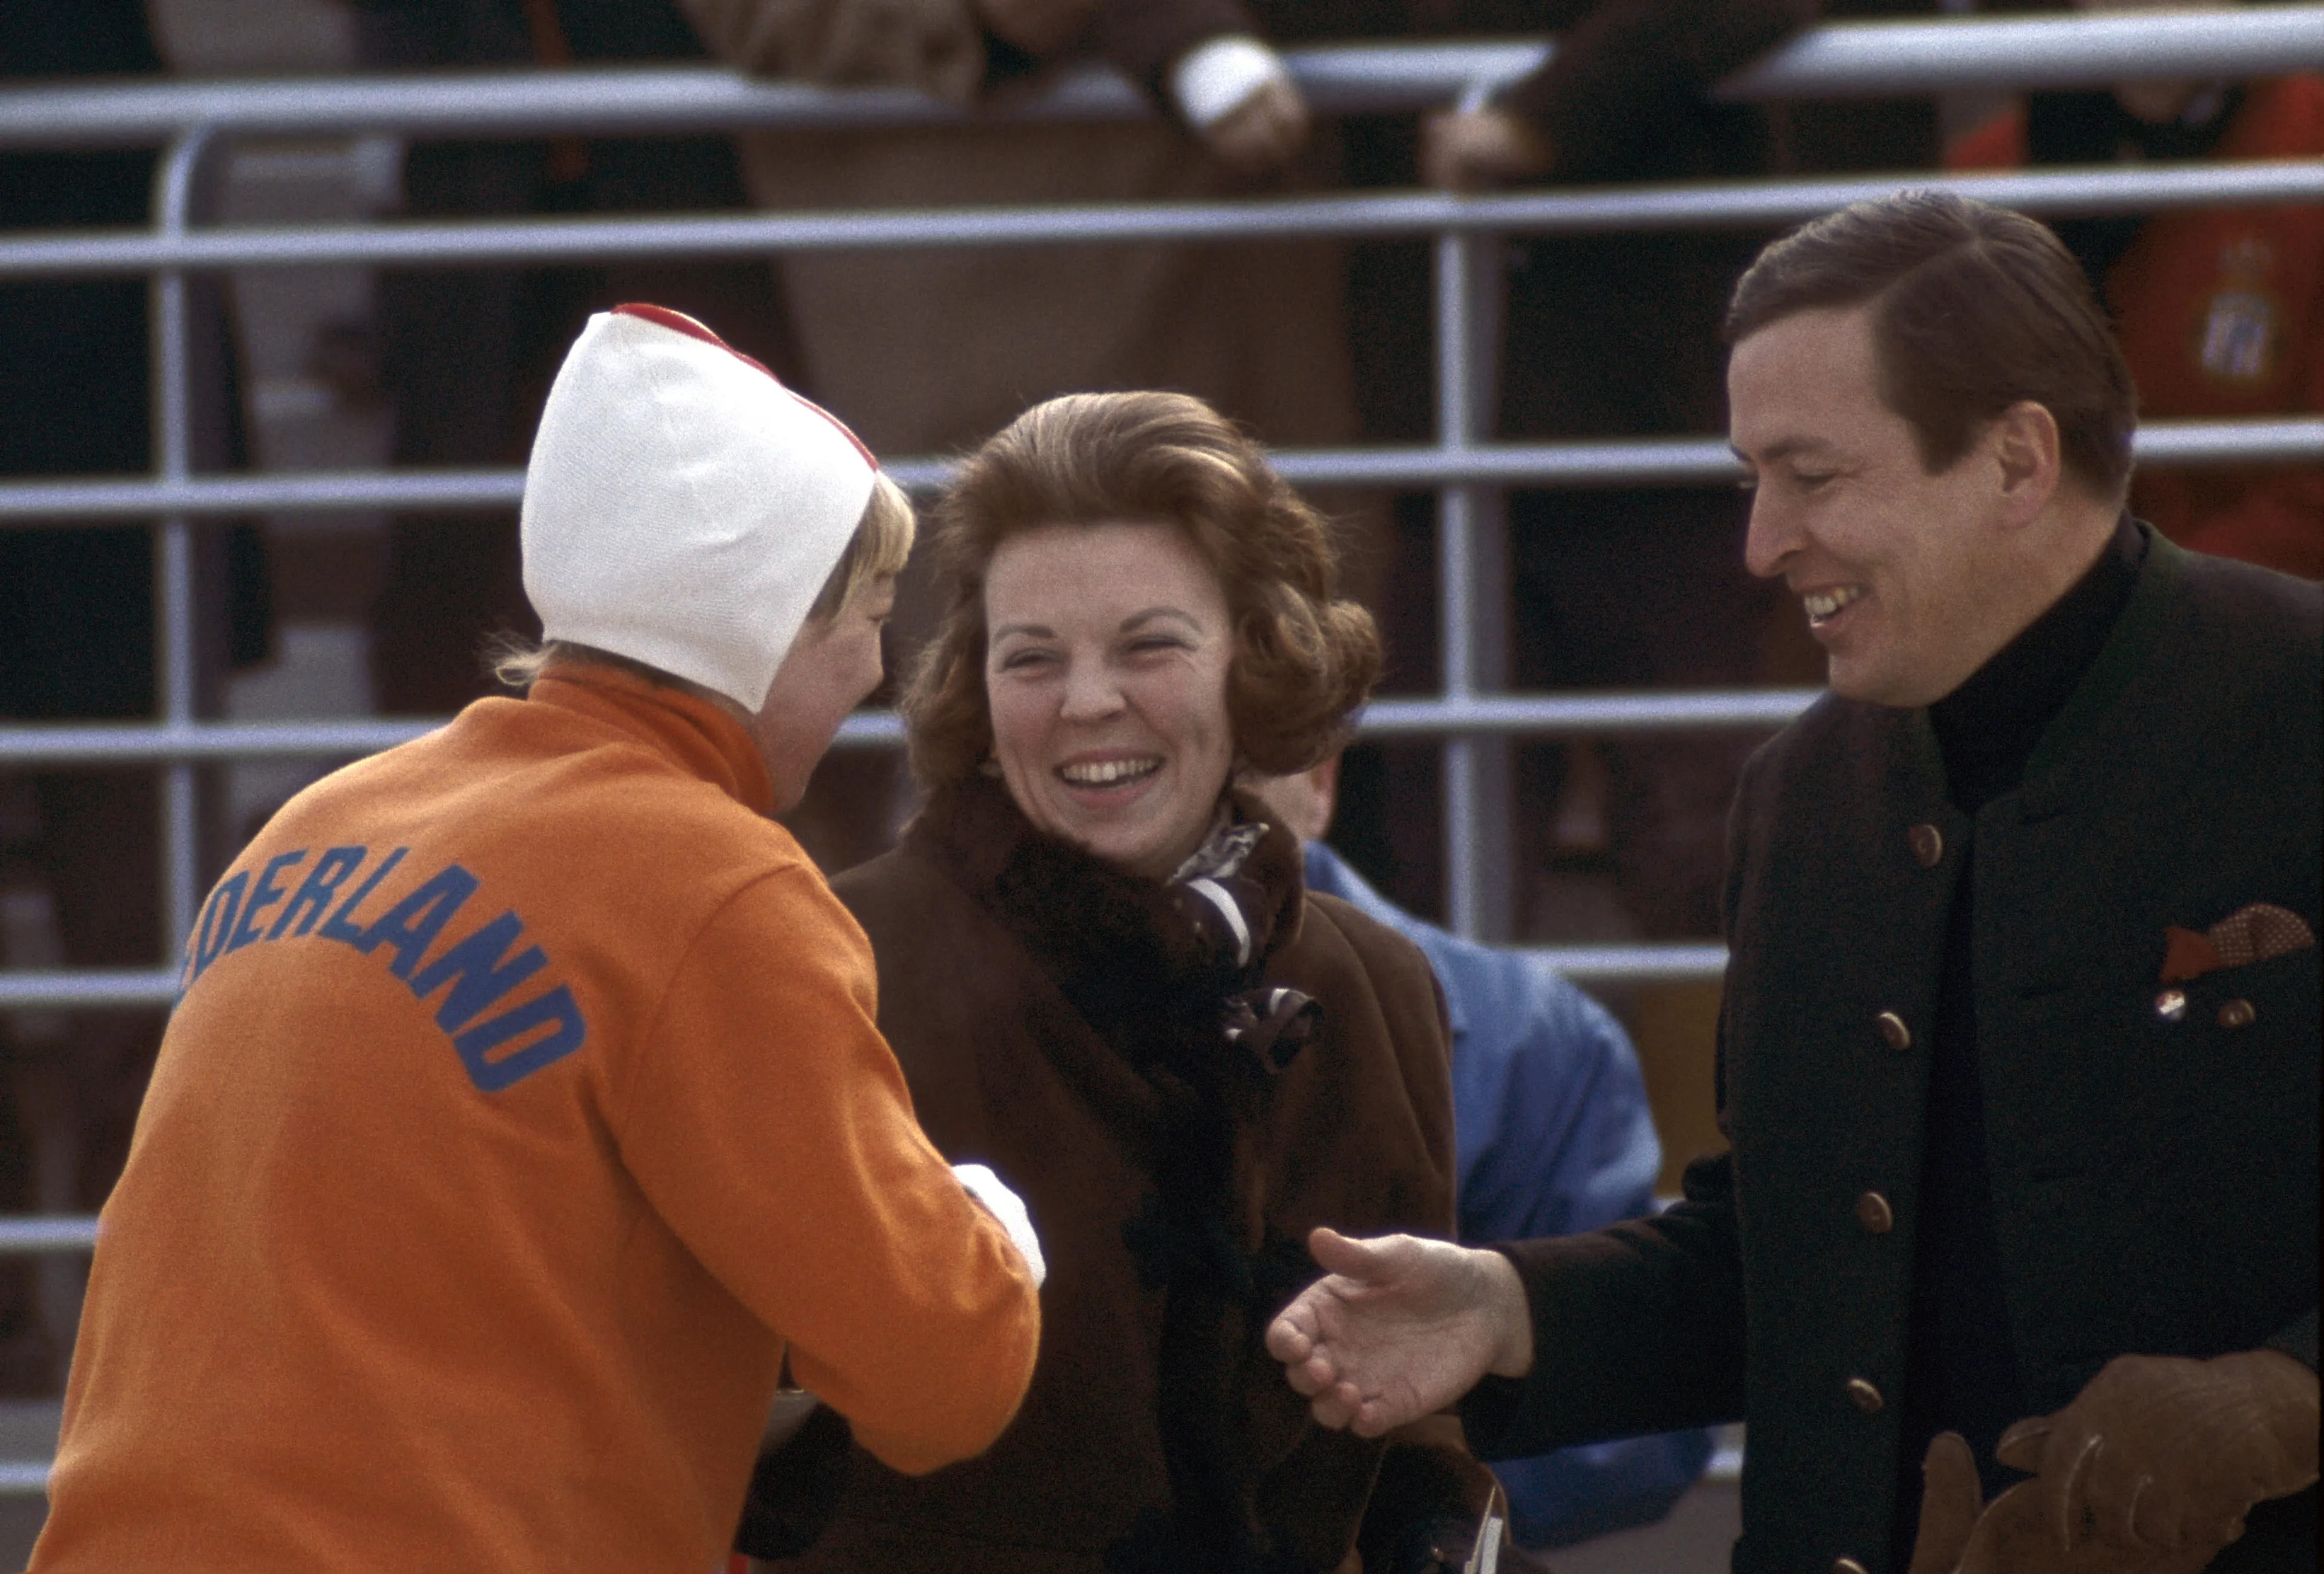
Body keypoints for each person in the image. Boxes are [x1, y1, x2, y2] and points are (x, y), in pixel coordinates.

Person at [1264, 192, 2320, 1574]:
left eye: (1812, 478)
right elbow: (1792, 1255)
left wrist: (2280, 1401)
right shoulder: (1796, 797)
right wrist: (1507, 1306)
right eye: (1748, 477)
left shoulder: (2297, 713)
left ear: (2014, 461)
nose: (1759, 544)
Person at [30, 305, 1043, 1573]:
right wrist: (989, 1231)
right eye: (864, 617)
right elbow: (940, 1373)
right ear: (762, 626)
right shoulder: (715, 884)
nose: (875, 671)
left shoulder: (311, 825)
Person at [741, 391, 1494, 1573]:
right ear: (977, 693)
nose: (1088, 700)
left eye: (1150, 645)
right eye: (1032, 656)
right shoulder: (835, 956)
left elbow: (1412, 1426)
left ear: (1254, 656)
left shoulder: (1378, 983)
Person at [1250, 758, 1713, 1550]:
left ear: (1320, 782)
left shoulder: (1537, 1040)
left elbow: (1633, 1453)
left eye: (1232, 770)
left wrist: (1405, 1446)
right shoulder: (991, 1025)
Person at [1945, 42, 2322, 580]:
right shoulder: (1985, 184)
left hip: (2258, 625)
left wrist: (2155, 607)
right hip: (2045, 622)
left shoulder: (2308, 155)